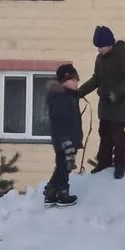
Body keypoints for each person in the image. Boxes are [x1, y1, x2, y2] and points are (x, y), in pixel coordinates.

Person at [77, 25, 125, 179]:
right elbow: (96, 79)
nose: (99, 50)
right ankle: (103, 161)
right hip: (105, 105)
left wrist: (115, 93)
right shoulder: (100, 59)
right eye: (97, 47)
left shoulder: (122, 57)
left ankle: (119, 164)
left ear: (109, 43)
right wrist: (79, 92)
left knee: (117, 134)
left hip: (120, 105)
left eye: (101, 47)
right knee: (104, 133)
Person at [44, 63, 83, 208]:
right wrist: (66, 141)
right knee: (64, 166)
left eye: (77, 79)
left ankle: (51, 192)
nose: (76, 82)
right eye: (73, 79)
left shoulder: (69, 96)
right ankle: (62, 194)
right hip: (65, 140)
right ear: (64, 81)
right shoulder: (61, 98)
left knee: (61, 166)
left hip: (67, 138)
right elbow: (60, 122)